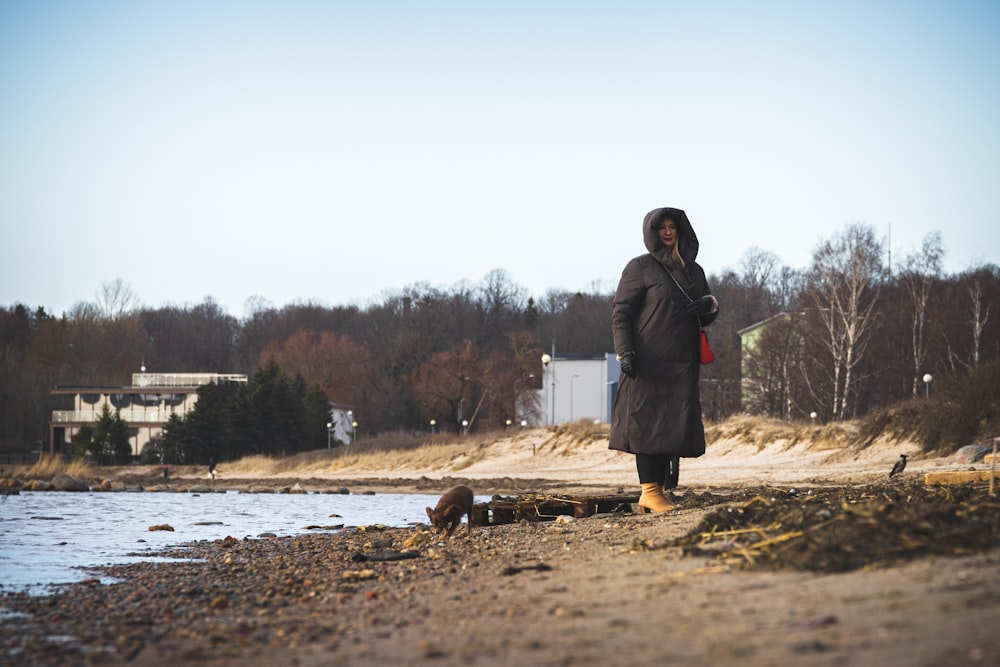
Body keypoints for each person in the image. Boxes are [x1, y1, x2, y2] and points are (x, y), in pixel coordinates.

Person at [609, 207, 719, 513]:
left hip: (682, 363)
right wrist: (625, 351)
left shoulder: (694, 271)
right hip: (647, 361)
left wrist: (709, 306)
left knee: (669, 425)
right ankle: (649, 491)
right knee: (647, 424)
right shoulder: (640, 267)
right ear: (652, 232)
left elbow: (707, 314)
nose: (668, 232)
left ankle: (656, 493)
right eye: (662, 227)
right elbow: (620, 314)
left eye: (673, 226)